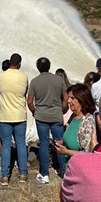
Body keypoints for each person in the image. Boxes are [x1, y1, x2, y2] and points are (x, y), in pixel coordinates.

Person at [27, 57, 68, 185]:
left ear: (38, 67)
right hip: (56, 115)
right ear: (49, 66)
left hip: (41, 117)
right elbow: (65, 98)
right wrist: (62, 110)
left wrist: (35, 111)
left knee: (44, 144)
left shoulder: (34, 82)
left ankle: (44, 174)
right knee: (59, 143)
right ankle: (63, 171)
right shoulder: (59, 80)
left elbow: (29, 101)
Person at [0, 53, 29, 186]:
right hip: (20, 114)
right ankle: (22, 174)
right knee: (21, 144)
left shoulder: (1, 76)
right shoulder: (24, 76)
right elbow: (25, 91)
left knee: (6, 146)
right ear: (19, 64)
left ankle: (4, 176)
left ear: (9, 63)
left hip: (5, 116)